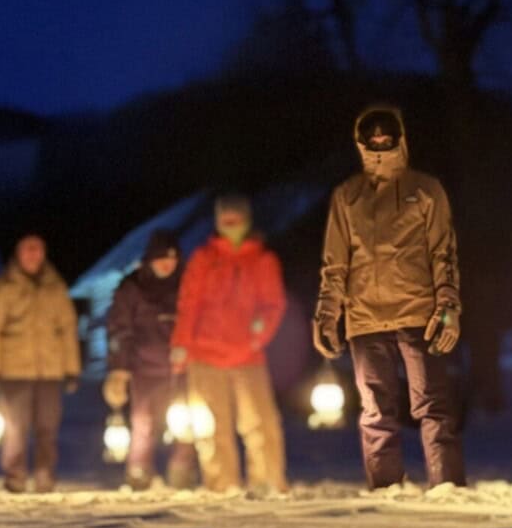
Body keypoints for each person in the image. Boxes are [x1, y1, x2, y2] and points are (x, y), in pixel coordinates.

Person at [313, 103, 466, 489]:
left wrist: (448, 306)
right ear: (361, 141)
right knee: (376, 412)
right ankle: (385, 491)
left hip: (419, 314)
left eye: (386, 134)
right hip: (364, 318)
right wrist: (327, 315)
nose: (380, 141)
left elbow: (443, 253)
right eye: (372, 136)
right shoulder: (347, 196)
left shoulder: (425, 190)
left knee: (434, 408)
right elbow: (335, 264)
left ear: (400, 136)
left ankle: (447, 488)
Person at [169, 194, 289, 494]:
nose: (230, 221)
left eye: (236, 215)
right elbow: (188, 304)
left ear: (247, 219)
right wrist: (181, 345)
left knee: (261, 423)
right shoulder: (203, 259)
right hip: (204, 354)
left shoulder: (262, 259)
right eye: (225, 216)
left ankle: (267, 482)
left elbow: (273, 304)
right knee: (210, 427)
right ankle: (221, 485)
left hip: (248, 356)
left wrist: (257, 336)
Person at [0, 233, 81, 494]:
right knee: (16, 427)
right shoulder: (3, 288)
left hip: (49, 370)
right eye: (28, 249)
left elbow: (68, 329)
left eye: (38, 250)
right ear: (18, 253)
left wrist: (71, 369)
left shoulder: (55, 288)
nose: (33, 255)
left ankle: (45, 473)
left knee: (48, 427)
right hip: (14, 370)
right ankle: (15, 474)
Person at [103, 229, 198, 492]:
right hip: (143, 368)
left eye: (172, 258)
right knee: (143, 422)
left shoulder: (188, 285)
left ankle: (183, 470)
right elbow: (119, 328)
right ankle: (139, 470)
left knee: (185, 421)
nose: (166, 264)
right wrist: (119, 368)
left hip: (181, 370)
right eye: (160, 258)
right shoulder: (132, 287)